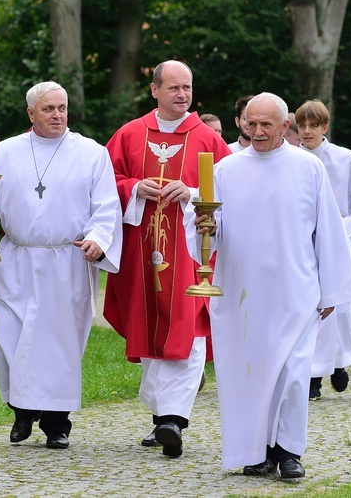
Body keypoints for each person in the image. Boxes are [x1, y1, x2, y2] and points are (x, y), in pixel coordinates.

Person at [184, 92, 351, 479]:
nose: (258, 131)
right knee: (248, 373)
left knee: (294, 374)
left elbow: (327, 232)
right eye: (252, 123)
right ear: (243, 124)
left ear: (285, 127)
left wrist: (331, 290)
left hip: (294, 290)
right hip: (242, 292)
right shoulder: (226, 171)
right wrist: (205, 227)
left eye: (267, 124)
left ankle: (288, 452)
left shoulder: (308, 168)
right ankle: (256, 450)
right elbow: (208, 234)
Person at [0, 81, 122, 449]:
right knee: (7, 336)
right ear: (31, 113)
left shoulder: (91, 153)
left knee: (58, 344)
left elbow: (106, 205)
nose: (57, 115)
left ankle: (56, 422)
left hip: (66, 260)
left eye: (62, 108)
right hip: (16, 258)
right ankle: (21, 409)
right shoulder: (4, 152)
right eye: (48, 109)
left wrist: (99, 239)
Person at [103, 60, 232, 458]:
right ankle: (162, 416)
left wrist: (192, 192)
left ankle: (173, 418)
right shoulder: (129, 135)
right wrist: (132, 188)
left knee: (188, 327)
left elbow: (233, 186)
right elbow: (103, 186)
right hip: (141, 251)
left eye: (187, 88)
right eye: (174, 87)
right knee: (148, 329)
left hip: (193, 255)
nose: (182, 95)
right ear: (155, 90)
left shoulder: (208, 139)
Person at [294, 100, 351, 397]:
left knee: (339, 309)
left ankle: (338, 363)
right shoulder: (290, 159)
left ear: (324, 127)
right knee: (309, 308)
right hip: (304, 245)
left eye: (312, 126)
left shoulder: (345, 160)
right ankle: (313, 376)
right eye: (301, 126)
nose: (306, 131)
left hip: (339, 244)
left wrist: (344, 228)